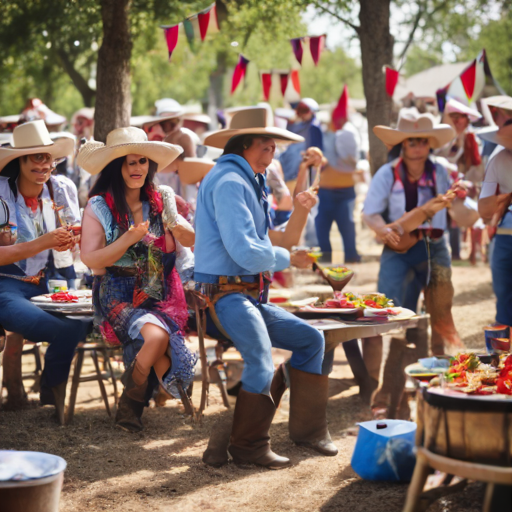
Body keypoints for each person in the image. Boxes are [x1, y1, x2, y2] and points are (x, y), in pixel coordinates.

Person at [195, 107, 335, 470]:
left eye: (274, 147)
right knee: (260, 360)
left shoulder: (247, 180)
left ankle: (307, 431)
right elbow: (246, 250)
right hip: (222, 296)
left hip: (244, 295)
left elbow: (274, 240)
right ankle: (247, 448)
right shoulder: (229, 182)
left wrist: (301, 211)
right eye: (267, 146)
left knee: (310, 341)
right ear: (244, 146)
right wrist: (287, 259)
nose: (273, 153)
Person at [79, 126, 197, 433]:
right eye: (130, 162)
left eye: (142, 161)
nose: (137, 168)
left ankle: (138, 401)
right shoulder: (99, 205)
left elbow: (190, 240)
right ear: (115, 167)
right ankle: (132, 403)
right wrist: (127, 240)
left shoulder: (163, 198)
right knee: (158, 339)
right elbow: (90, 259)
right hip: (116, 291)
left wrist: (179, 229)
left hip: (159, 289)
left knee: (165, 346)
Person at [362, 108, 459, 418]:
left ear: (429, 143)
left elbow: (460, 209)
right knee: (393, 315)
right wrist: (382, 231)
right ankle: (388, 391)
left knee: (440, 312)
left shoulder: (441, 170)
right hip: (400, 249)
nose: (417, 146)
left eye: (422, 141)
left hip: (434, 245)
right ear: (402, 145)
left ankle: (438, 388)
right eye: (411, 141)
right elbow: (371, 213)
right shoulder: (387, 173)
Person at [0, 120, 88, 419]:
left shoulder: (62, 187)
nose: (44, 163)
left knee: (79, 324)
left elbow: (76, 234)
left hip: (55, 277)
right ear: (19, 160)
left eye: (48, 156)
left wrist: (72, 237)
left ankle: (50, 387)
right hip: (9, 283)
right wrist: (43, 242)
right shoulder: (1, 193)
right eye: (36, 157)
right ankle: (51, 389)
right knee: (62, 329)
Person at [315, 89, 362, 263]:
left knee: (348, 227)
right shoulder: (322, 132)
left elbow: (352, 161)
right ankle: (326, 262)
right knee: (321, 228)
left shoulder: (349, 133)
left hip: (345, 191)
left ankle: (352, 259)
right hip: (325, 191)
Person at [437, 99, 484, 263]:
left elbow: (476, 166)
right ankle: (445, 252)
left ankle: (465, 253)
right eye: (454, 117)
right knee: (441, 219)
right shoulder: (440, 136)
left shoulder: (470, 139)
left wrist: (468, 183)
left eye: (462, 117)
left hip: (461, 185)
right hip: (439, 185)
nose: (458, 121)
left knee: (461, 218)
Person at [478, 124, 512, 328]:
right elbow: (484, 207)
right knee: (503, 292)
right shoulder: (498, 159)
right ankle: (504, 353)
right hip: (506, 235)